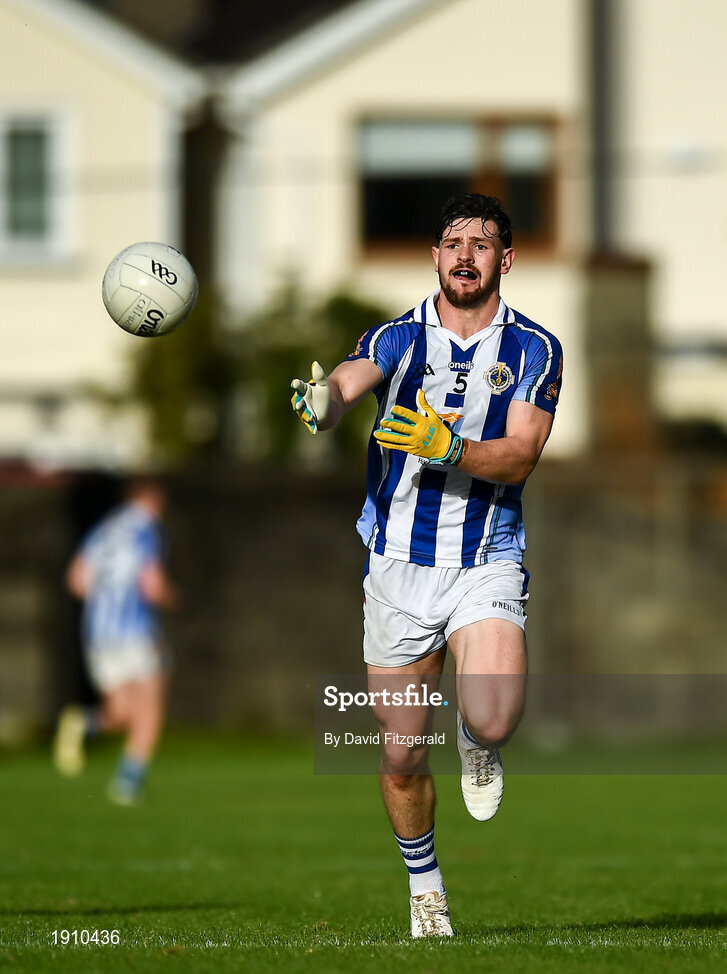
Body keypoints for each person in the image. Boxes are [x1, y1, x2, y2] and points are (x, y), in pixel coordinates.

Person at [290, 193, 563, 937]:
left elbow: (519, 457)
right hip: (397, 570)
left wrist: (449, 449)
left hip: (484, 558)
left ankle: (478, 744)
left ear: (505, 259)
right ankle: (424, 889)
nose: (464, 255)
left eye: (480, 243)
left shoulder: (534, 349)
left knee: (492, 713)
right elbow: (345, 384)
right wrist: (321, 403)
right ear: (435, 257)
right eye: (451, 242)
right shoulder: (397, 337)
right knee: (402, 754)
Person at [53, 477, 178, 805]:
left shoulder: (104, 529)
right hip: (135, 631)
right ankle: (127, 784)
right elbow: (151, 584)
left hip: (98, 632)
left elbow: (76, 580)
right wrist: (173, 599)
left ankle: (83, 722)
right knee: (150, 711)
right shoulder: (146, 528)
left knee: (121, 712)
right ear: (151, 497)